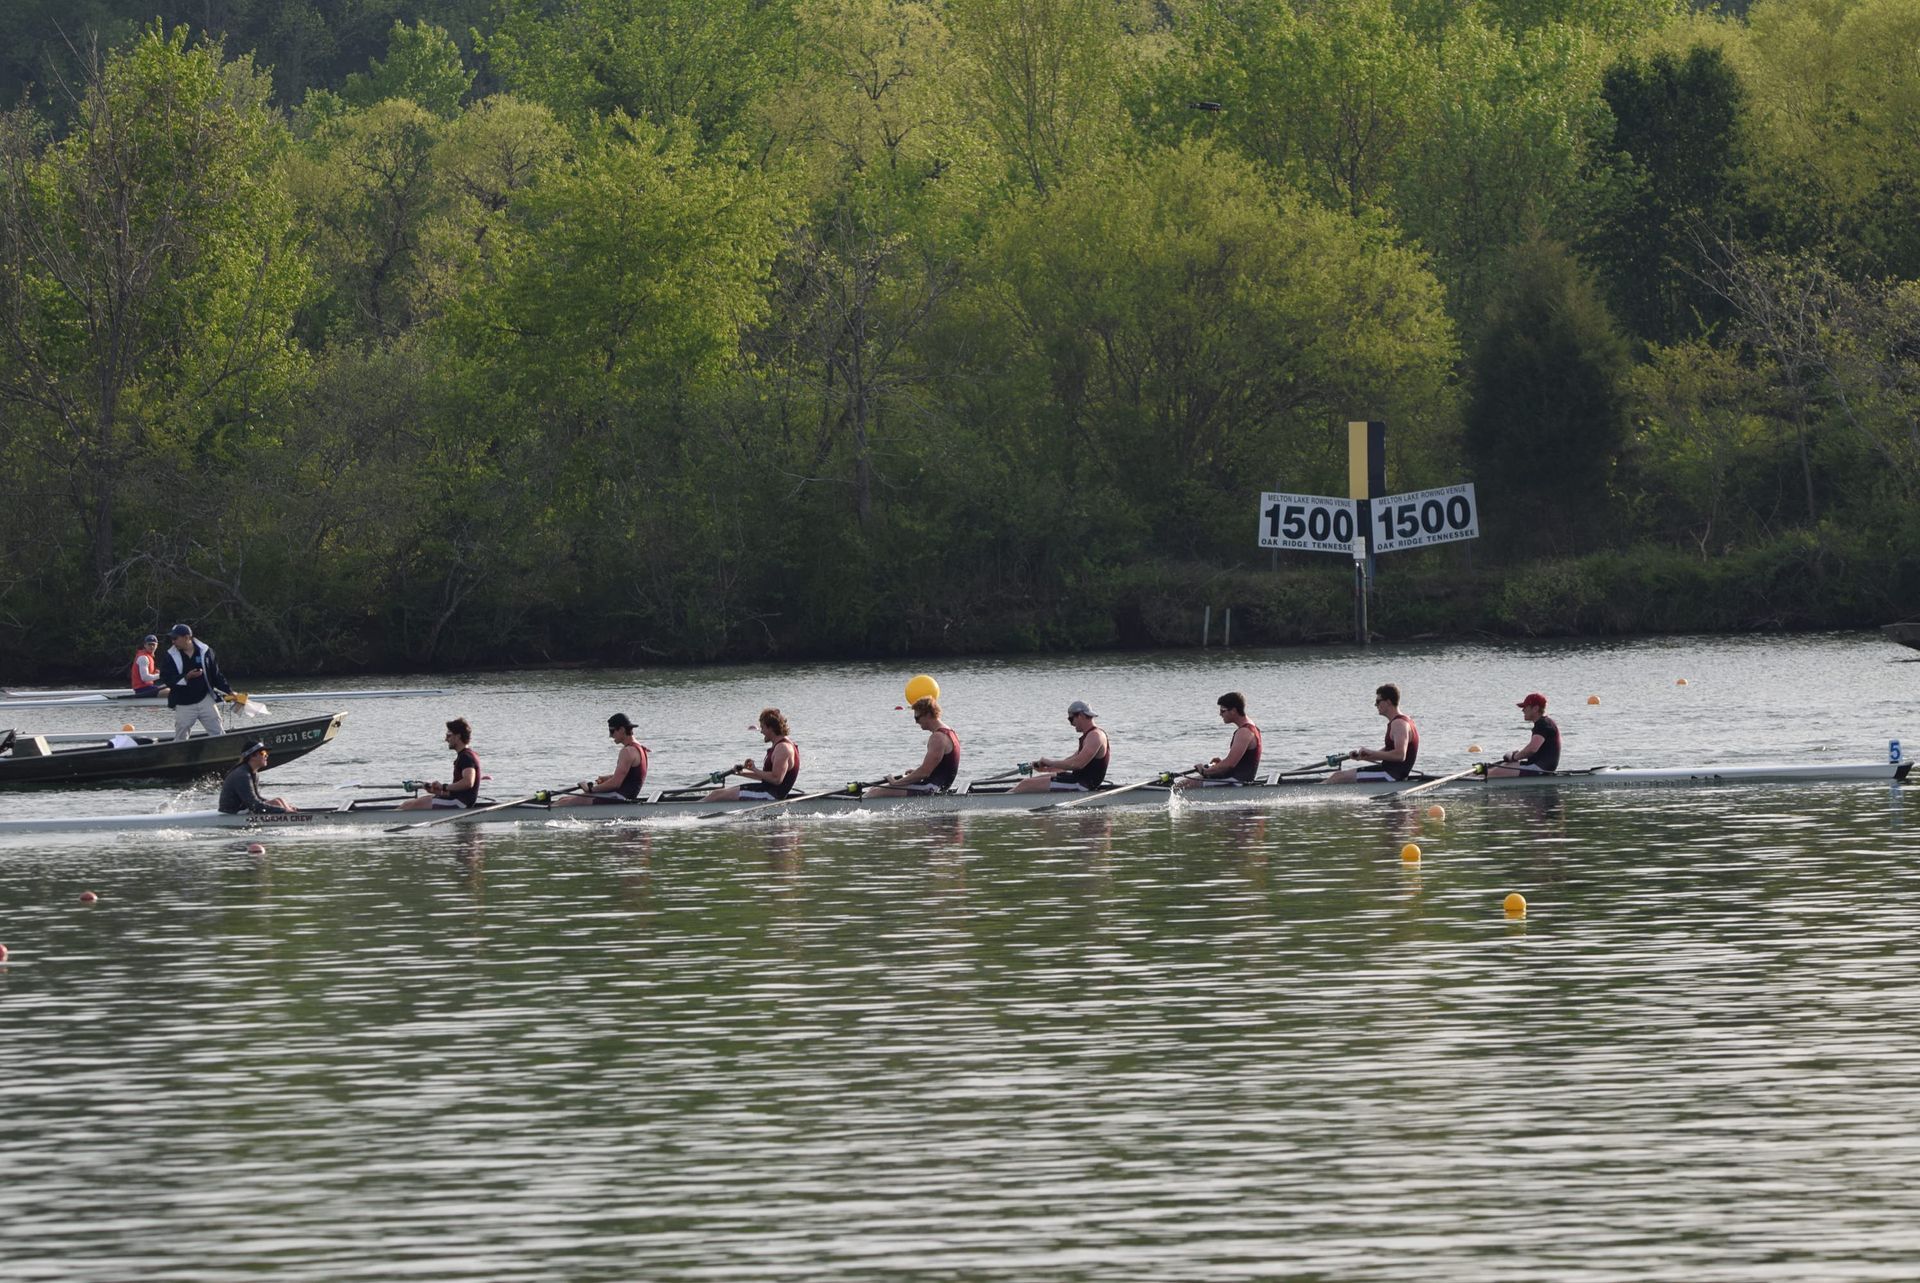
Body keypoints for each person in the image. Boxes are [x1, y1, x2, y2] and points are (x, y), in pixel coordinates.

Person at [866, 696, 961, 796]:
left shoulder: (938, 737)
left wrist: (895, 783)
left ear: (928, 714)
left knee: (875, 792)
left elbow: (924, 773)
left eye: (917, 717)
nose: (916, 722)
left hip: (931, 788)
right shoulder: (950, 731)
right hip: (938, 786)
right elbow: (940, 768)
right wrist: (915, 773)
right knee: (876, 788)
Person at [1326, 684, 1420, 783]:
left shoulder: (1399, 724)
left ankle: (1313, 795)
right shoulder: (1403, 721)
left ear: (1388, 702)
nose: (1376, 705)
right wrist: (1363, 756)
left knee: (1337, 777)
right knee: (1338, 777)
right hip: (1391, 772)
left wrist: (1372, 753)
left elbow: (1400, 755)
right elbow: (1388, 752)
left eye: (1378, 702)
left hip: (1391, 776)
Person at [1011, 699, 1111, 793]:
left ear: (1080, 716)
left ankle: (999, 803)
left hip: (1082, 785)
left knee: (1026, 784)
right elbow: (1069, 763)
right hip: (1076, 780)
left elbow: (1078, 764)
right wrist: (1046, 769)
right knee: (1029, 781)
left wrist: (1049, 762)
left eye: (1071, 719)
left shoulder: (1095, 736)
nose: (1071, 724)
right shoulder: (1089, 736)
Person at [553, 713, 650, 806]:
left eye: (612, 731)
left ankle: (544, 815)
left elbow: (615, 784)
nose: (610, 736)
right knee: (563, 799)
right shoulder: (640, 748)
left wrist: (590, 789)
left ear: (622, 729)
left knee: (576, 800)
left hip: (619, 797)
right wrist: (608, 778)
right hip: (623, 795)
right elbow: (631, 776)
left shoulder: (627, 751)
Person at [159, 623, 234, 740]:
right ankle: (179, 755)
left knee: (218, 731)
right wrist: (186, 677)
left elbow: (216, 675)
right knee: (181, 736)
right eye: (171, 639)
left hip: (205, 698)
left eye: (175, 638)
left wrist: (229, 691)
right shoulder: (170, 656)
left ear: (187, 637)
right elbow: (166, 679)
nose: (173, 641)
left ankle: (224, 753)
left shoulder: (206, 651)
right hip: (183, 702)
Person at [706, 709, 800, 801]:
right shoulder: (781, 745)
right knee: (717, 793)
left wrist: (754, 769)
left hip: (771, 795)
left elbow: (776, 779)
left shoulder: (783, 748)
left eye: (763, 727)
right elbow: (767, 777)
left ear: (771, 728)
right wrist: (742, 773)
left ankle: (692, 814)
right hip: (766, 790)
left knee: (716, 795)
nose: (761, 731)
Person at [1176, 691, 1262, 789]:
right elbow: (1238, 762)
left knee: (1188, 785)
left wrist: (1205, 771)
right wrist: (1219, 764)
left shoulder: (1244, 732)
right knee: (1185, 783)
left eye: (1223, 710)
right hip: (1235, 777)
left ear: (1233, 710)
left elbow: (1229, 765)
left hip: (1237, 781)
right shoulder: (1250, 726)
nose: (1220, 714)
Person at [397, 718, 482, 809]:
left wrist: (443, 787)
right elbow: (460, 790)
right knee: (413, 803)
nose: (446, 739)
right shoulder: (467, 755)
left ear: (458, 736)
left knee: (407, 806)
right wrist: (438, 791)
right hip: (458, 800)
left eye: (448, 735)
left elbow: (468, 783)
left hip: (459, 803)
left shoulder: (466, 757)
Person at [1487, 693, 1560, 776]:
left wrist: (1514, 757)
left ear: (1535, 708)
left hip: (1540, 768)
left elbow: (1532, 749)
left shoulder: (1543, 724)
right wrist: (1515, 755)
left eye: (1525, 707)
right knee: (1496, 768)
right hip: (1538, 766)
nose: (1523, 710)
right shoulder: (1545, 722)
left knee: (1492, 773)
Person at [217, 741, 293, 815]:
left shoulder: (253, 773)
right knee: (277, 802)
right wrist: (281, 810)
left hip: (243, 808)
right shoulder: (242, 775)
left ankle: (290, 811)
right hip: (233, 812)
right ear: (252, 756)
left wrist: (284, 807)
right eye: (263, 753)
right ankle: (290, 815)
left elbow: (257, 798)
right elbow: (253, 804)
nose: (266, 755)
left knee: (279, 800)